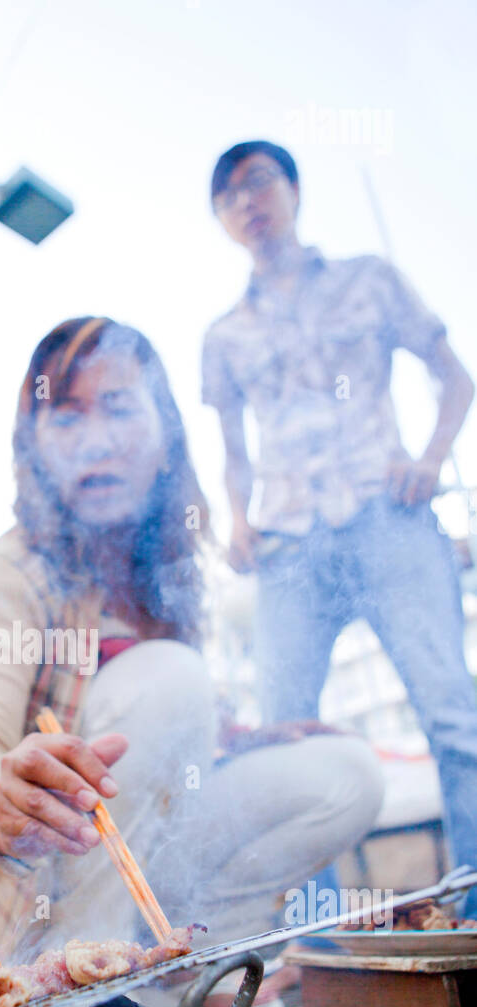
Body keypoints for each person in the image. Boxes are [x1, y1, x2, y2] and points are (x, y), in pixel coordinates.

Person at [0, 316, 384, 1007]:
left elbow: (171, 746)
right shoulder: (8, 574)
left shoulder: (168, 580)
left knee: (344, 770)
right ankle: (80, 996)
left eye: (120, 408)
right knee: (170, 675)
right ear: (33, 449)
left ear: (164, 439)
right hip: (15, 908)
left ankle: (194, 969)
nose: (95, 438)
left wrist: (243, 737)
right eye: (66, 415)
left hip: (133, 874)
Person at [202, 140, 477, 917]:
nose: (247, 200)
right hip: (290, 547)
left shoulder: (369, 278)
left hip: (388, 516)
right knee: (290, 738)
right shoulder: (224, 335)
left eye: (259, 180)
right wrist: (236, 519)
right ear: (222, 220)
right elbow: (232, 449)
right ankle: (323, 940)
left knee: (454, 714)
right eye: (228, 195)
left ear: (291, 189)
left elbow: (453, 375)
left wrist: (430, 459)